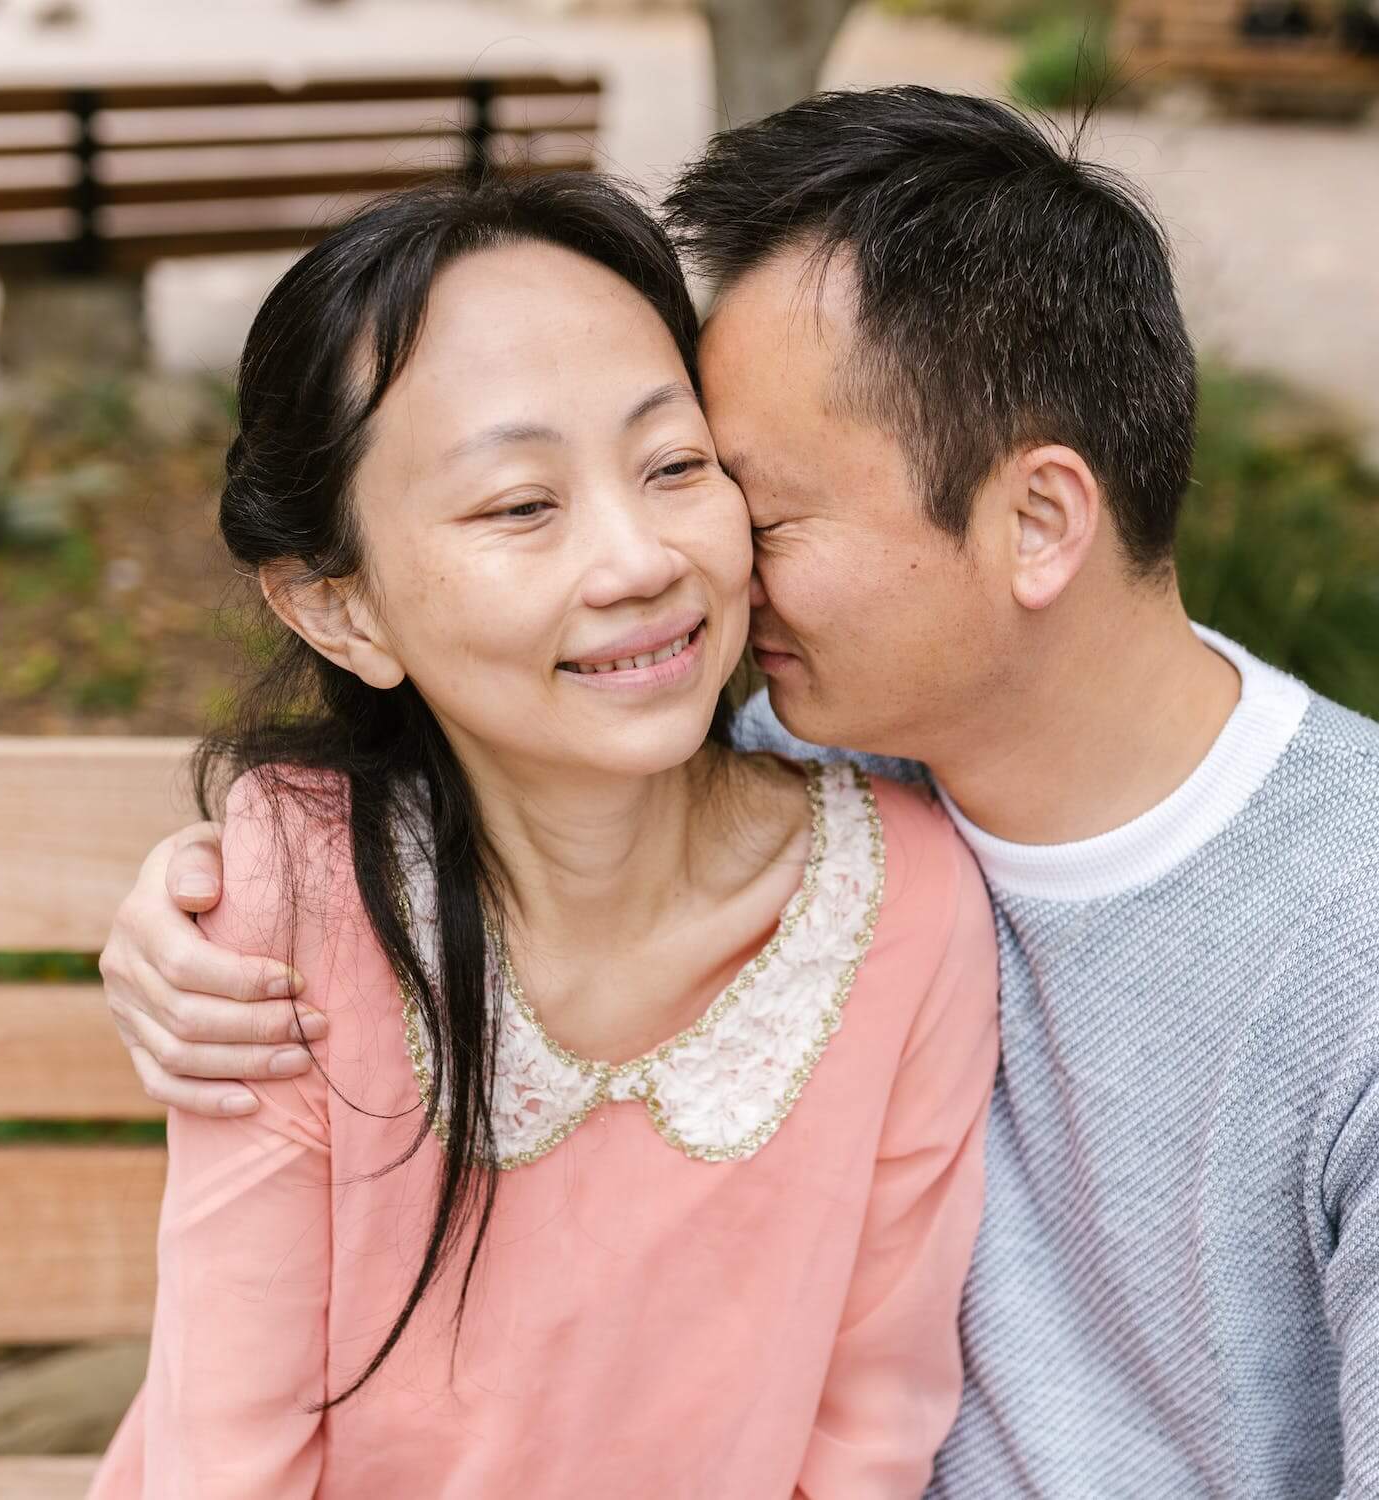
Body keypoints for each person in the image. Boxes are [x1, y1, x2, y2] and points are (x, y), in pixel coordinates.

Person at [101, 89, 1379, 1497]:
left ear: (1036, 522)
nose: (678, 568)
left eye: (737, 498)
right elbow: (458, 823)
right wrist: (198, 915)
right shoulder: (789, 757)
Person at [86, 172, 1001, 1500]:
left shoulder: (901, 902)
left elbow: (869, 1429)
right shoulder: (298, 894)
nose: (638, 561)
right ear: (343, 612)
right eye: (522, 505)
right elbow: (229, 1451)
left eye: (674, 466)